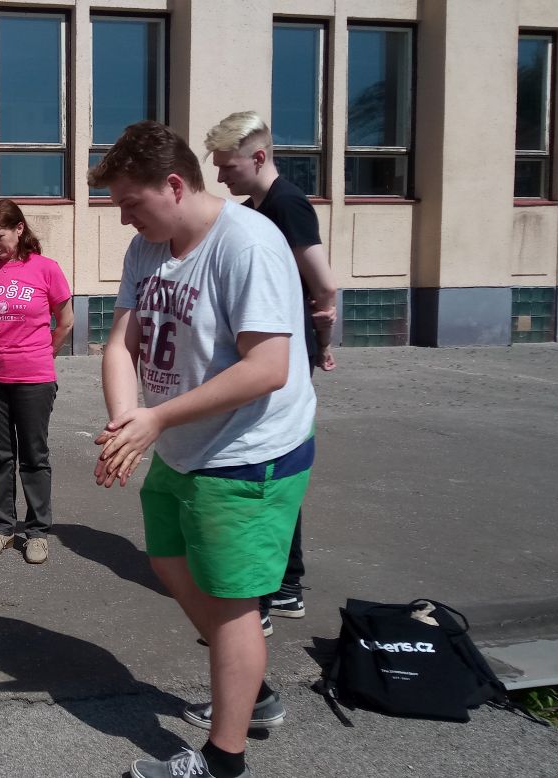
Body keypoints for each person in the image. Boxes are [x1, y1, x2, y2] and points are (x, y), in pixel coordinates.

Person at [89, 121, 316, 778]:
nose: (124, 218)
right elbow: (121, 344)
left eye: (131, 202)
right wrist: (126, 422)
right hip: (182, 442)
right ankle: (251, 689)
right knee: (168, 560)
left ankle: (224, 759)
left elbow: (267, 367)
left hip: (249, 450)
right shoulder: (147, 248)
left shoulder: (248, 244)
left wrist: (155, 419)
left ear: (173, 185)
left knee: (233, 601)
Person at [205, 111, 340, 628]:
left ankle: (270, 593)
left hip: (280, 353)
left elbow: (323, 285)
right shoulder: (253, 209)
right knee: (269, 469)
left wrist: (322, 342)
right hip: (269, 347)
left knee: (266, 465)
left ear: (259, 157)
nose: (221, 176)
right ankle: (283, 585)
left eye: (229, 166)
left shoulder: (287, 203)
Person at [0, 199, 73, 564]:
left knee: (33, 456)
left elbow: (66, 321)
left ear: (19, 228)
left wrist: (43, 353)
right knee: (0, 455)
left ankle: (37, 531)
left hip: (34, 378)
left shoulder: (46, 269)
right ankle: (2, 527)